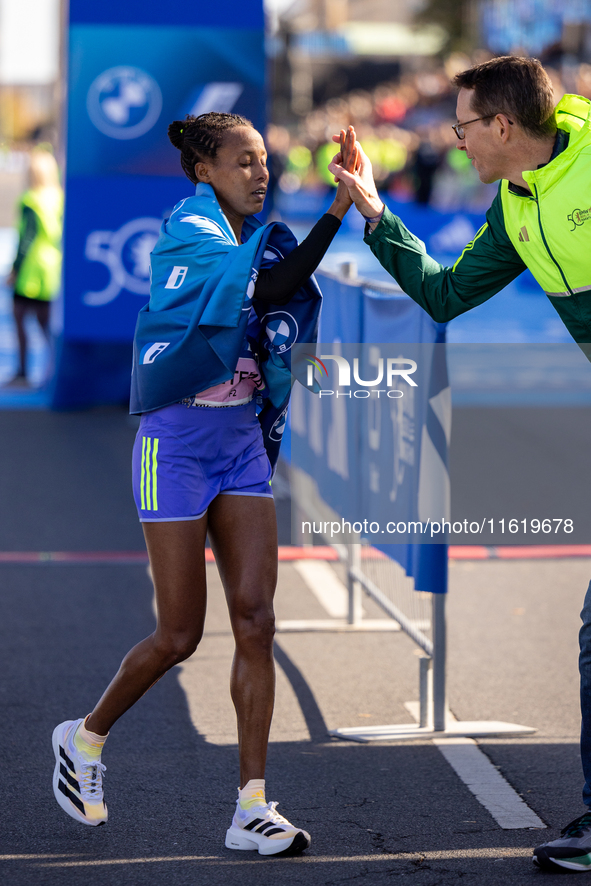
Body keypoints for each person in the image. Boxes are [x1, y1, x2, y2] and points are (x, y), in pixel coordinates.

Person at [52, 112, 356, 856]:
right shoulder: (189, 232)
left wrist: (335, 211)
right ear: (203, 172)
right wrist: (337, 210)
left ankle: (252, 805)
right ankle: (84, 741)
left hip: (240, 444)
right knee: (180, 634)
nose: (260, 173)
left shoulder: (252, 234)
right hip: (177, 447)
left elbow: (278, 283)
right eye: (243, 162)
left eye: (263, 160)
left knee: (256, 621)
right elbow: (270, 284)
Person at [329, 55, 591, 874]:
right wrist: (373, 212)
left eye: (464, 126)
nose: (456, 141)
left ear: (503, 127)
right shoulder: (514, 204)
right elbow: (444, 294)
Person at [6, 146, 63, 387]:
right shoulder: (59, 198)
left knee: (19, 318)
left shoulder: (31, 200)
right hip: (52, 266)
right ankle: (55, 368)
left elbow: (26, 238)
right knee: (46, 323)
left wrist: (15, 268)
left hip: (31, 268)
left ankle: (22, 371)